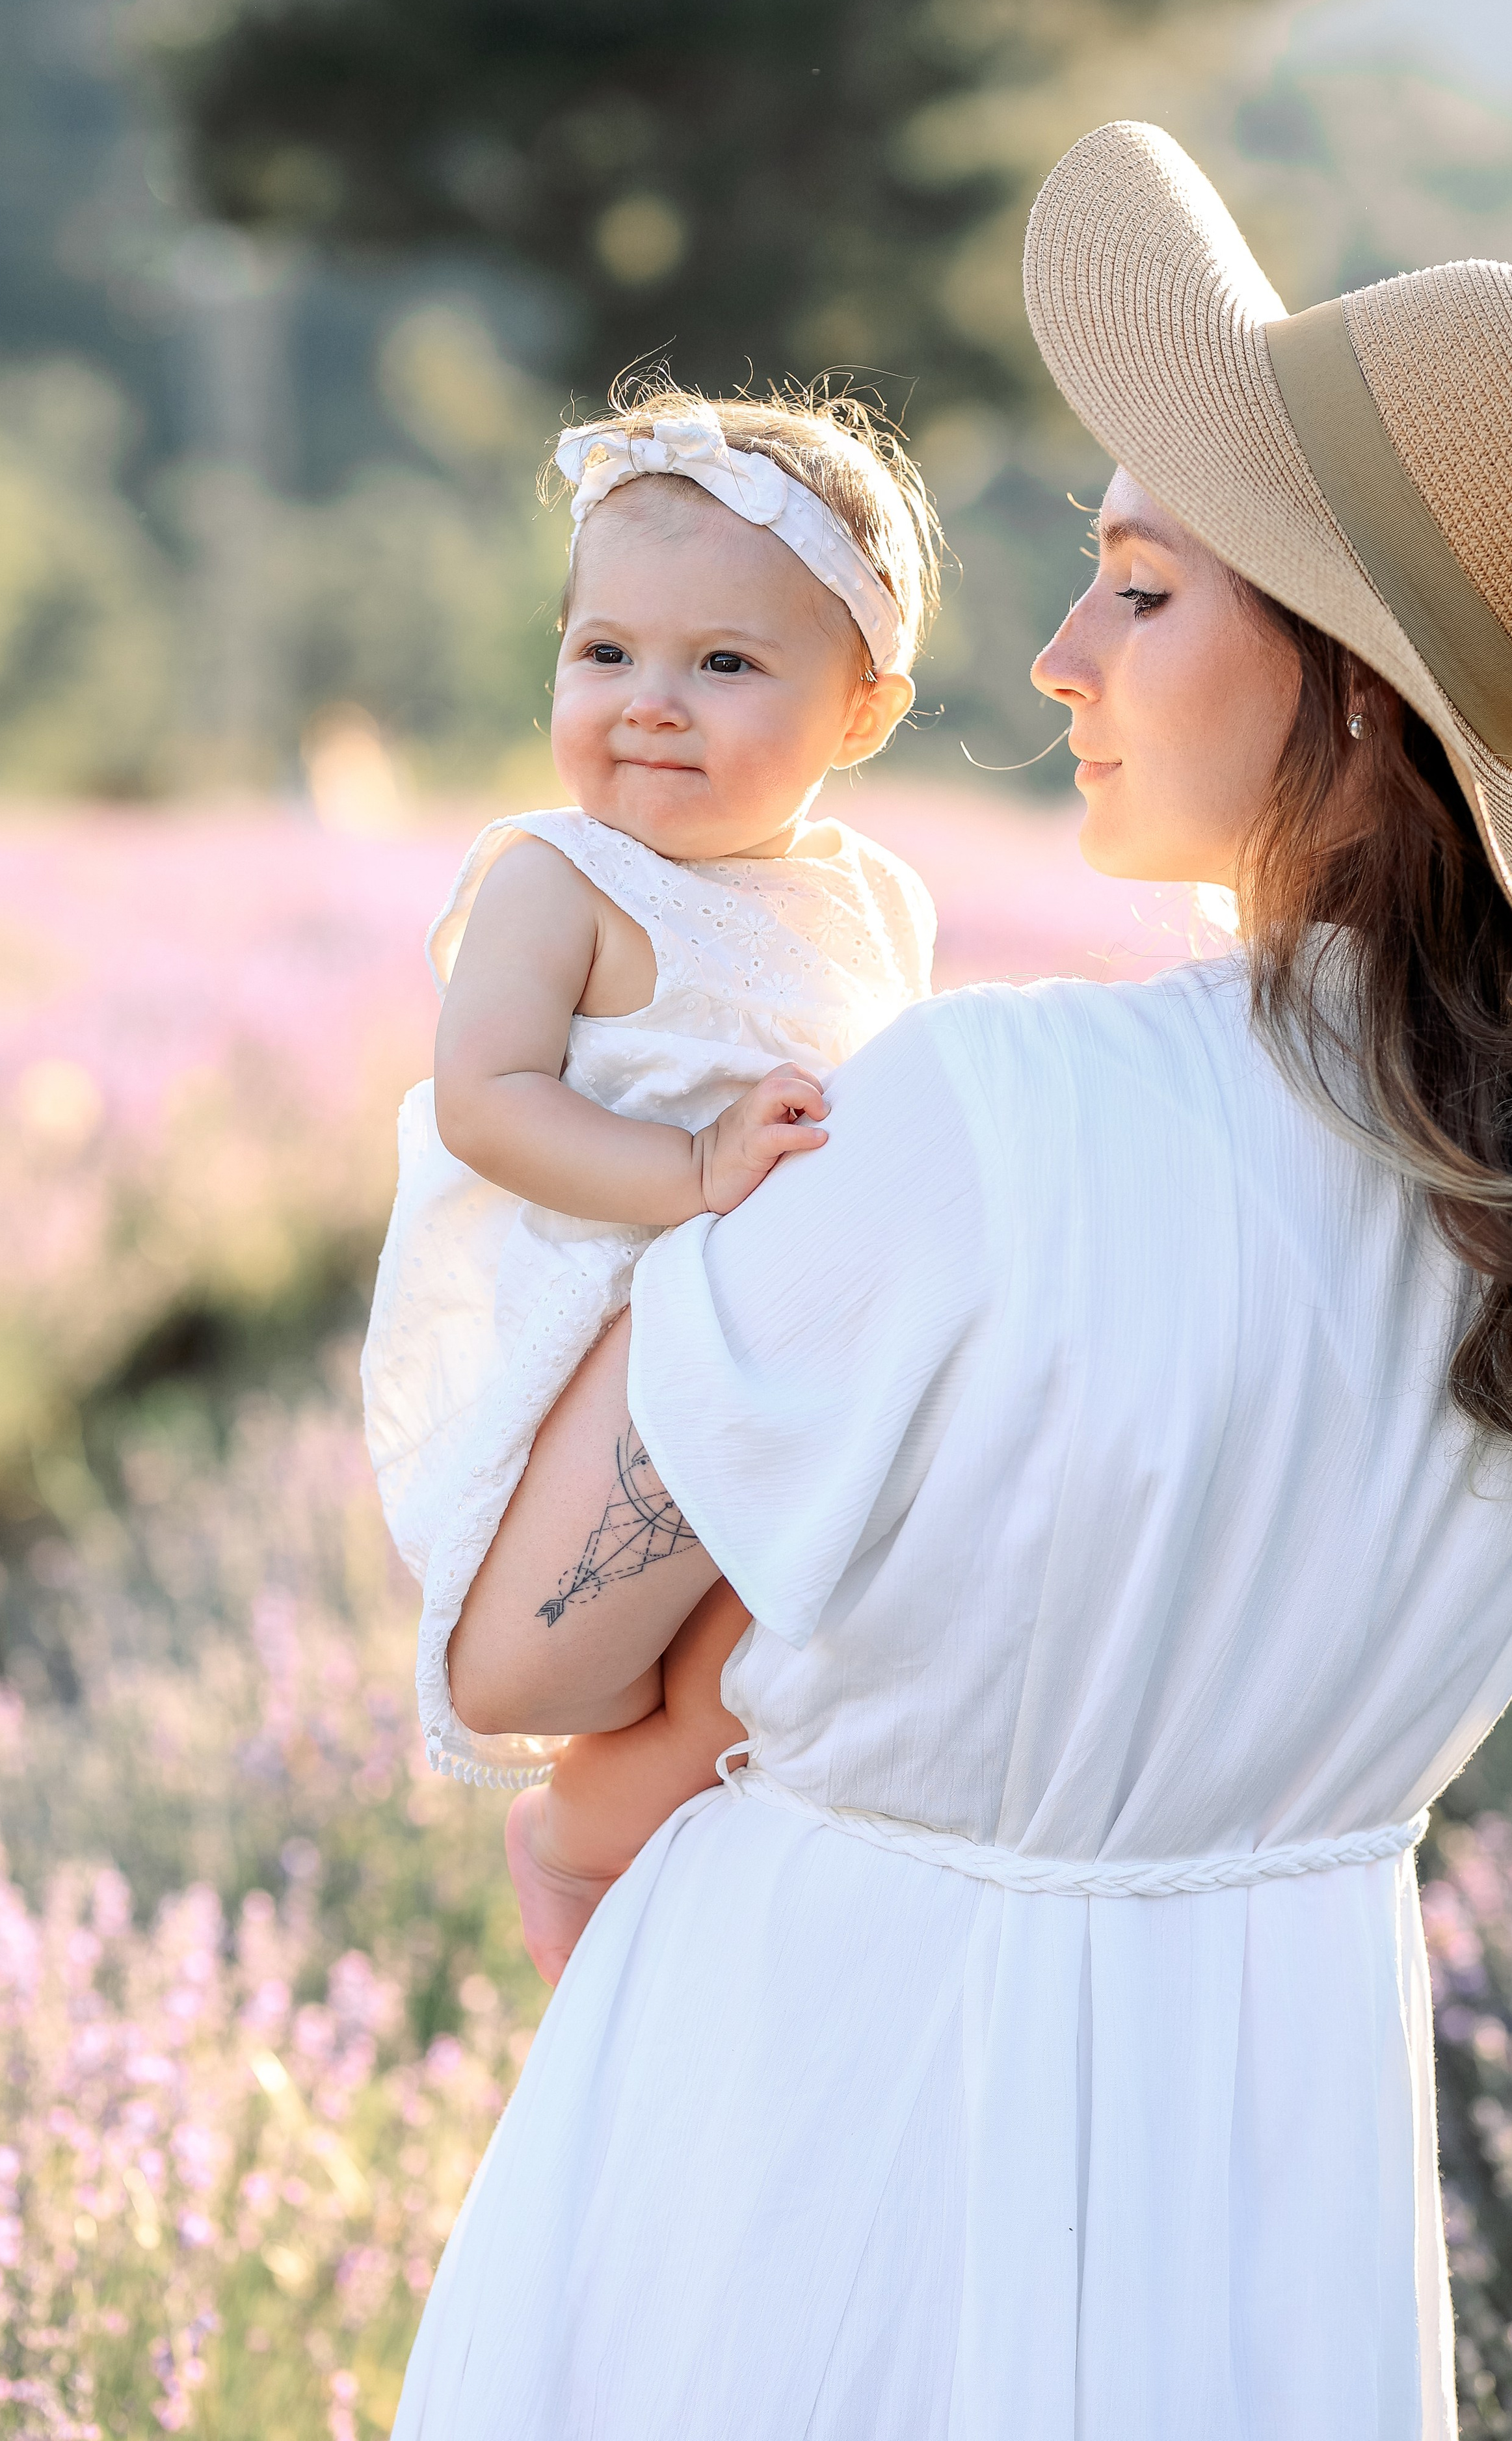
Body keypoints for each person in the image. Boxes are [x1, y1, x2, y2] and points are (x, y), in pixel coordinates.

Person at [391, 122, 1512, 2441]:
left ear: (1359, 693)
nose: (1054, 656)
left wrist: (585, 1800)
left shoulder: (976, 1117)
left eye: (1140, 590)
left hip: (831, 2109)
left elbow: (517, 1647)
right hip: (1276, 2155)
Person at [360, 387, 942, 1981]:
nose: (651, 706)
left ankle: (668, 1902)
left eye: (725, 665)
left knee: (759, 1669)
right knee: (656, 1665)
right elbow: (486, 1101)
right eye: (605, 653)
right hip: (595, 1320)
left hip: (783, 1363)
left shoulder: (872, 901)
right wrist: (689, 1168)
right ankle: (576, 1851)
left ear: (861, 714)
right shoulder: (558, 880)